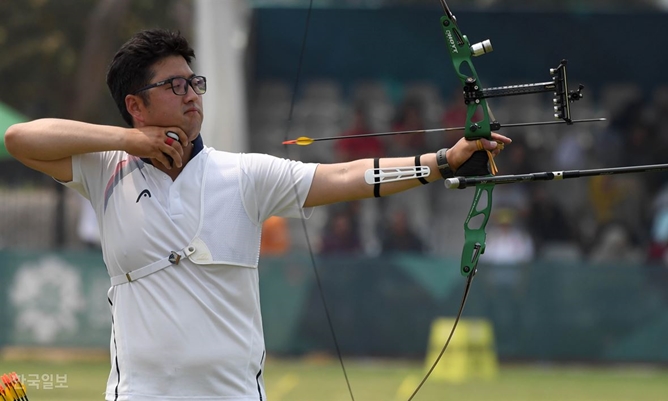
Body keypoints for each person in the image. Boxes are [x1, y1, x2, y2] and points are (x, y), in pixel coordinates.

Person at [3, 29, 510, 401]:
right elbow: (19, 139)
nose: (193, 95)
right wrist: (130, 140)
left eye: (194, 83)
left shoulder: (244, 174)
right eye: (175, 86)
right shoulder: (105, 171)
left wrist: (441, 162)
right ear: (135, 105)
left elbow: (345, 177)